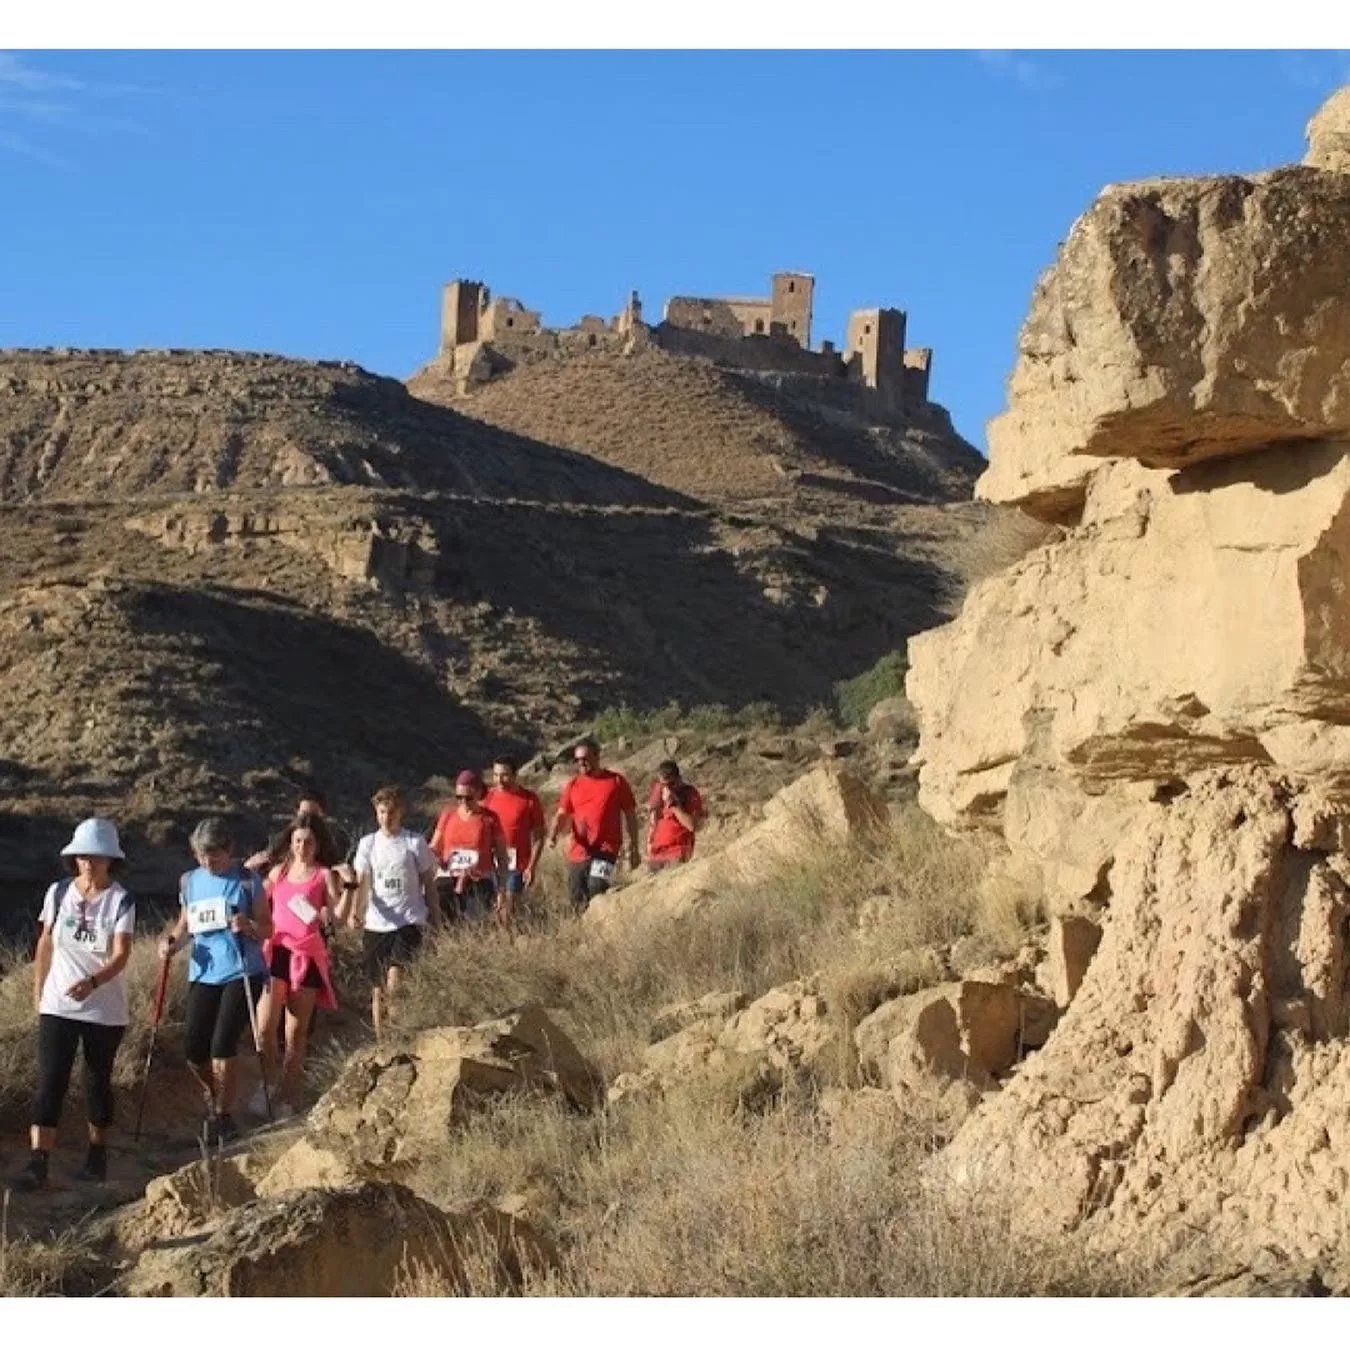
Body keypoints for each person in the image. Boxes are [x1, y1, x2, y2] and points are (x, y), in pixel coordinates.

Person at [7, 819, 135, 1192]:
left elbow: (121, 954)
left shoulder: (121, 900)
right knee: (50, 1080)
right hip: (58, 1005)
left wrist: (94, 981)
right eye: (82, 856)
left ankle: (97, 1155)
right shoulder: (59, 892)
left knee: (96, 1082)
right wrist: (39, 988)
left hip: (104, 1010)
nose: (88, 864)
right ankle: (38, 1162)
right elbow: (46, 941)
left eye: (96, 857)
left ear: (110, 860)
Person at [158, 817, 272, 1146]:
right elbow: (184, 926)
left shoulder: (247, 881)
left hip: (241, 969)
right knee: (195, 1049)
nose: (208, 862)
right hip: (203, 972)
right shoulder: (189, 882)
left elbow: (268, 928)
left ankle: (222, 1115)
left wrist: (248, 925)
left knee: (222, 1043)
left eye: (215, 856)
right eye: (201, 856)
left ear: (229, 849)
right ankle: (214, 1093)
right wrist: (171, 944)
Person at [249, 814, 349, 1117]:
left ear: (317, 845)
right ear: (290, 843)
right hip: (277, 951)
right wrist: (247, 872)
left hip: (306, 956)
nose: (302, 847)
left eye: (308, 842)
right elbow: (255, 900)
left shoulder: (323, 875)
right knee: (263, 1027)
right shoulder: (279, 872)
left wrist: (351, 887)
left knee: (295, 1033)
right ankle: (269, 1083)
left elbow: (338, 918)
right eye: (297, 841)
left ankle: (289, 1096)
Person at [350, 785, 438, 1038]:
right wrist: (357, 911)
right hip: (377, 923)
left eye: (390, 812)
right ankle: (381, 1040)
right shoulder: (368, 844)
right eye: (381, 812)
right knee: (378, 989)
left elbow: (429, 882)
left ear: (400, 812)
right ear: (376, 813)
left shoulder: (414, 842)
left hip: (408, 920)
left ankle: (398, 1034)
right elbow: (363, 881)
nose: (386, 817)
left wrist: (435, 914)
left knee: (395, 982)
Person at [548, 737, 639, 914]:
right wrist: (553, 834)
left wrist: (633, 847)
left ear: (597, 757)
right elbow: (561, 814)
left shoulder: (616, 781)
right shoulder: (573, 785)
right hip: (579, 850)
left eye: (585, 758)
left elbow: (630, 814)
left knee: (597, 887)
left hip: (606, 848)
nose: (580, 763)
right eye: (577, 760)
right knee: (577, 897)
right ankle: (582, 929)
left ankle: (601, 923)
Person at [428, 771, 512, 924]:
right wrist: (436, 858)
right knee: (444, 923)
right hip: (448, 878)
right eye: (459, 797)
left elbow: (502, 856)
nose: (463, 802)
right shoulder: (448, 815)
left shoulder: (490, 818)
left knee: (476, 925)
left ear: (479, 793)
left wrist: (502, 888)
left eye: (468, 798)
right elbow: (434, 846)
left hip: (479, 880)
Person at [482, 756, 546, 912]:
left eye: (504, 775)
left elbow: (539, 836)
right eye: (496, 775)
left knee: (508, 910)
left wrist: (531, 867)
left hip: (516, 864)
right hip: (490, 863)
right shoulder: (486, 798)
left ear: (515, 774)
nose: (499, 780)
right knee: (491, 910)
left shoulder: (529, 799)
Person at [646, 760, 706, 871]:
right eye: (664, 784)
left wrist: (673, 804)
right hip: (657, 854)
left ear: (678, 779)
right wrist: (649, 842)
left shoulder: (689, 793)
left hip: (677, 852)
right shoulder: (660, 791)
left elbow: (692, 826)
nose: (668, 788)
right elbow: (653, 820)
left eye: (671, 784)